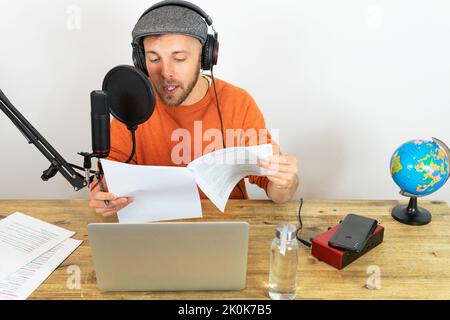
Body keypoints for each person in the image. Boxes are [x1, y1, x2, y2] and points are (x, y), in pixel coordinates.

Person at [89, 0, 299, 217]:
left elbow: (277, 191)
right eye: (153, 59)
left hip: (223, 231)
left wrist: (285, 182)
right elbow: (107, 180)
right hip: (151, 231)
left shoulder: (239, 103)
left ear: (205, 57)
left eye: (179, 58)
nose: (166, 72)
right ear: (140, 61)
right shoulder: (133, 104)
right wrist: (104, 196)